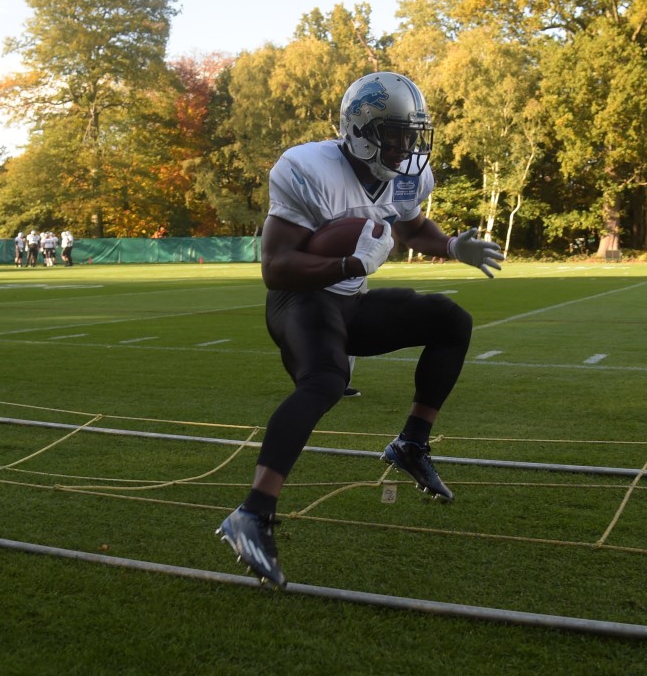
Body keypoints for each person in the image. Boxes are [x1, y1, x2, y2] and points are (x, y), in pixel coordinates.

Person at [215, 71, 504, 587]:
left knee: (450, 320)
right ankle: (253, 513)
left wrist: (452, 246)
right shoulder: (307, 168)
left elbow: (411, 225)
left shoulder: (409, 174)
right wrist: (350, 265)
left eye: (412, 135)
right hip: (301, 300)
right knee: (326, 380)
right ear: (359, 129)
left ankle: (411, 445)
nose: (405, 147)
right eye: (394, 134)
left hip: (351, 299)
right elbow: (276, 267)